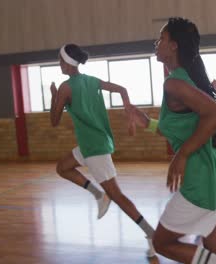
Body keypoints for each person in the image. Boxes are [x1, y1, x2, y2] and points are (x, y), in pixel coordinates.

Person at [132, 18, 216, 264]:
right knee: (215, 250)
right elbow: (182, 129)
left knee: (161, 243)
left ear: (174, 46)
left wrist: (181, 156)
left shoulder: (175, 83)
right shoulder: (186, 78)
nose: (157, 43)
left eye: (162, 38)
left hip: (205, 177)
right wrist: (147, 123)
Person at [49, 43, 156, 258]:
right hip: (93, 143)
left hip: (94, 149)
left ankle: (151, 233)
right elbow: (122, 89)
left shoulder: (65, 88)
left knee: (117, 195)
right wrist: (128, 110)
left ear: (67, 63)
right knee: (63, 167)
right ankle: (98, 195)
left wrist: (54, 96)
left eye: (60, 60)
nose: (59, 64)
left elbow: (54, 120)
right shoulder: (91, 81)